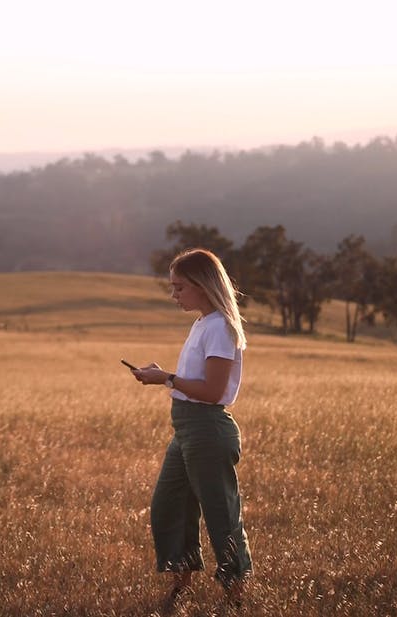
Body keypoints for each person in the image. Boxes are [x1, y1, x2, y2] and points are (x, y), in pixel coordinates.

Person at [131, 248, 252, 610]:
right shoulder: (203, 323)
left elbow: (213, 392)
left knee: (221, 514)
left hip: (207, 430)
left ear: (202, 285)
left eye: (179, 288)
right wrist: (165, 377)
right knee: (168, 506)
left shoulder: (219, 328)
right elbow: (195, 382)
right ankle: (181, 581)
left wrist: (166, 377)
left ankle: (236, 590)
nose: (174, 295)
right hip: (185, 428)